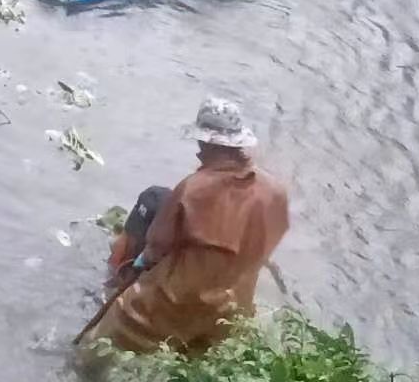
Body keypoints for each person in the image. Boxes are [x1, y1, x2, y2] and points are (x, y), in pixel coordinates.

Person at [77, 99, 289, 358]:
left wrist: (134, 269)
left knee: (94, 348)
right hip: (231, 315)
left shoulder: (193, 188)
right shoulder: (275, 192)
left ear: (208, 144)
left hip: (172, 307)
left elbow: (155, 248)